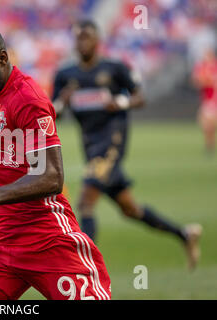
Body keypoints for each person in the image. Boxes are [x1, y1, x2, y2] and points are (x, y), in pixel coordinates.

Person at [0, 21, 111, 300]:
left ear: (2, 58)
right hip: (2, 248)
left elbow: (52, 177)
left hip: (48, 241)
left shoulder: (27, 98)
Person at [52, 20, 202, 271]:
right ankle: (184, 234)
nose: (82, 42)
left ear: (97, 40)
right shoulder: (65, 75)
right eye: (78, 38)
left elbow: (139, 97)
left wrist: (119, 103)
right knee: (130, 209)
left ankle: (85, 268)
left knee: (85, 202)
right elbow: (52, 114)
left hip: (112, 141)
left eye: (87, 37)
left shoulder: (115, 68)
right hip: (90, 146)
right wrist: (62, 103)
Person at [192, 48, 217, 156]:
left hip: (213, 99)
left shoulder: (213, 67)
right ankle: (209, 146)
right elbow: (197, 81)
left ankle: (209, 146)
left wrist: (204, 80)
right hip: (207, 99)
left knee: (206, 123)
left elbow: (205, 81)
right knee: (205, 125)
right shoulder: (202, 66)